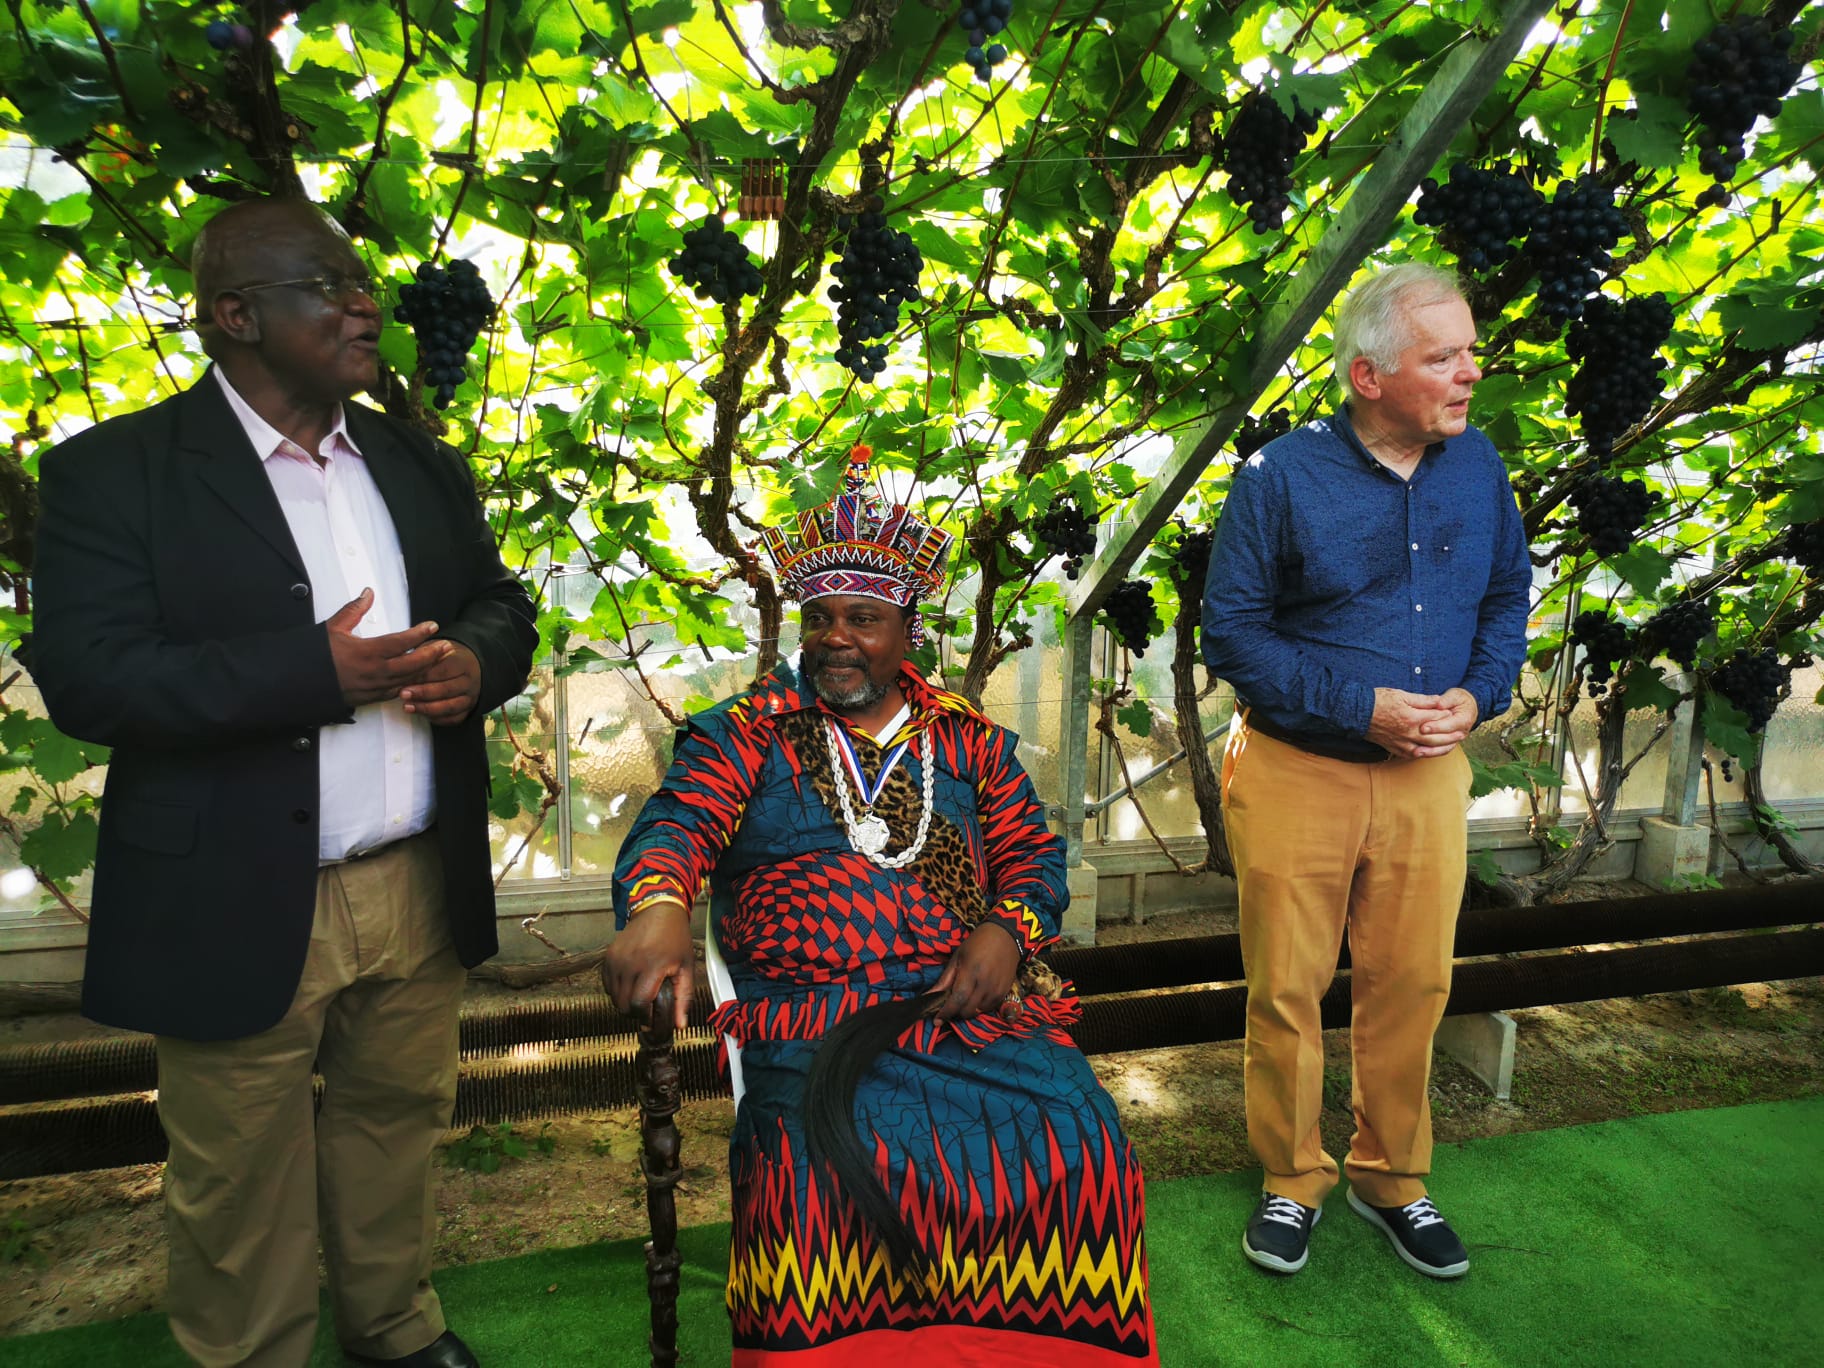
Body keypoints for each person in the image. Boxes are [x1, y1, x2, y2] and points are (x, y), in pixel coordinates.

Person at [29, 197, 538, 1367]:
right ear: (234, 316)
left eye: (363, 281)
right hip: (237, 884)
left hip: (412, 877)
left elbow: (498, 603)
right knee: (239, 1168)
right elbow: (92, 680)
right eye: (328, 284)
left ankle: (395, 1333)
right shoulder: (117, 473)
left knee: (395, 1130)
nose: (365, 303)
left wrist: (477, 661)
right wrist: (317, 672)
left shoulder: (414, 458)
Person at [603, 447, 1158, 1366]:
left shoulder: (968, 739)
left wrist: (1006, 934)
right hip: (803, 1014)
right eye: (819, 618)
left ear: (908, 631)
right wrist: (660, 905)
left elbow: (1031, 855)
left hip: (957, 1001)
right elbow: (678, 825)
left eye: (862, 618)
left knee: (1075, 1133)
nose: (835, 639)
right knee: (810, 1172)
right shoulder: (745, 734)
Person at [1201, 262, 1531, 1280]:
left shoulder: (1479, 468)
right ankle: (1291, 1182)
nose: (1472, 372)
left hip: (1431, 776)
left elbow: (1507, 598)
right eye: (1446, 356)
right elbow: (1233, 634)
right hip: (1300, 767)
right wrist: (1364, 706)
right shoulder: (1278, 479)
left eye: (1471, 350)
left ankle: (1393, 1180)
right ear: (1369, 376)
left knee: (1414, 982)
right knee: (1289, 989)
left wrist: (1479, 697)